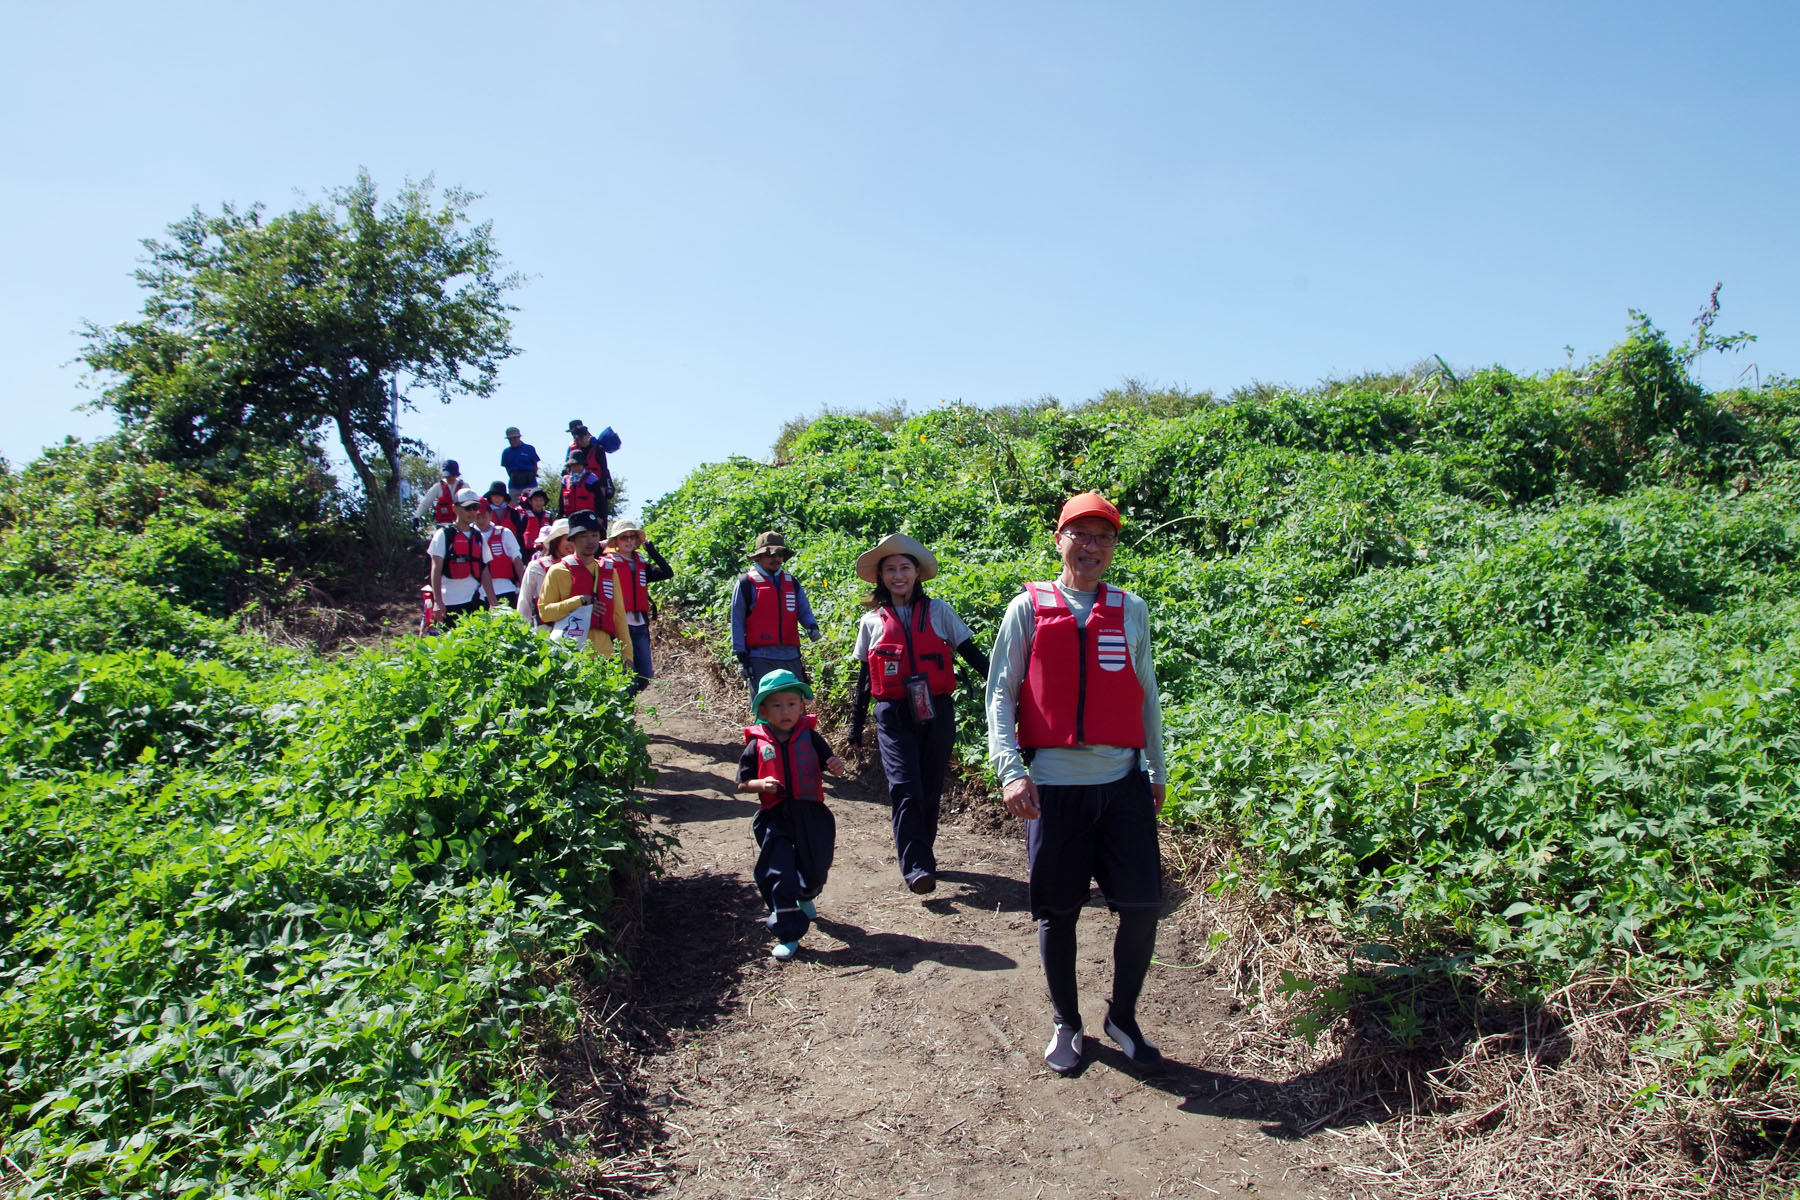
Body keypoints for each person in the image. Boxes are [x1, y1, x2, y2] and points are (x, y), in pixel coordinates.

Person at [985, 492, 1169, 1075]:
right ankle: (1068, 1021)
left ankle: (1123, 1017)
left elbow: (1147, 696)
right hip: (1054, 787)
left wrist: (1157, 769)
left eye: (1104, 537)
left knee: (1141, 908)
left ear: (1114, 547)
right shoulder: (1028, 608)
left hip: (1122, 785)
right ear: (1060, 539)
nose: (1091, 546)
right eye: (1080, 535)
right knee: (1057, 912)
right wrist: (1011, 769)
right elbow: (1000, 694)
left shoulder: (1130, 609)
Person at [846, 533, 990, 895]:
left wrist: (1007, 687)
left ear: (916, 573)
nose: (898, 575)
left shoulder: (939, 611)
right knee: (905, 788)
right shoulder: (871, 622)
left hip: (936, 709)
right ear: (880, 577)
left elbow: (972, 654)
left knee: (928, 788)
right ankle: (917, 867)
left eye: (904, 568)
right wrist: (855, 727)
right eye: (890, 569)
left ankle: (922, 851)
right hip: (893, 714)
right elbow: (866, 679)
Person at [736, 669, 845, 961]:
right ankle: (788, 933)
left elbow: (830, 763)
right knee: (778, 872)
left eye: (792, 703)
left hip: (812, 814)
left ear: (802, 706)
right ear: (763, 710)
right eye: (777, 705)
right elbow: (742, 783)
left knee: (815, 869)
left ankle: (807, 893)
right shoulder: (755, 744)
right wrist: (760, 784)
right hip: (774, 816)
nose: (785, 711)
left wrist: (835, 765)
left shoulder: (810, 737)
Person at [729, 532, 823, 696]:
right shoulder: (746, 584)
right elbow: (736, 621)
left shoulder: (791, 582)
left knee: (794, 705)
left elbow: (803, 609)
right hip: (759, 657)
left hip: (790, 656)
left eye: (780, 554)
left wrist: (811, 626)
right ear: (759, 557)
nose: (776, 558)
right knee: (765, 706)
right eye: (769, 554)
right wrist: (741, 658)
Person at [536, 511, 632, 668]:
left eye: (594, 535)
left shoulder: (608, 571)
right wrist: (578, 602)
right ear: (572, 539)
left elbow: (619, 616)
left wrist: (627, 655)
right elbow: (545, 613)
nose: (591, 541)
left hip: (604, 655)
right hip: (570, 656)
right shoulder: (557, 571)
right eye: (584, 536)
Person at [602, 519, 673, 696]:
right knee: (626, 676)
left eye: (632, 537)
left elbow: (667, 572)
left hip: (640, 625)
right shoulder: (607, 563)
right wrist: (601, 544)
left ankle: (626, 703)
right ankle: (624, 710)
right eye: (623, 537)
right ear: (615, 541)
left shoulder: (641, 564)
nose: (628, 541)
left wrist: (651, 549)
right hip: (619, 626)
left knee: (645, 676)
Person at [426, 487, 496, 630]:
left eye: (475, 507)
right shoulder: (443, 535)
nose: (472, 512)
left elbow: (484, 570)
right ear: (455, 508)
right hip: (449, 603)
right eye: (467, 508)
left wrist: (493, 602)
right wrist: (438, 602)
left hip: (474, 601)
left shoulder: (478, 537)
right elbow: (436, 569)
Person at [471, 494, 527, 609]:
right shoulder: (470, 536)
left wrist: (524, 587)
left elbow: (517, 560)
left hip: (505, 589)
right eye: (477, 517)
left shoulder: (504, 533)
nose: (480, 520)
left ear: (490, 514)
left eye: (483, 516)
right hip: (479, 592)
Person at [517, 518, 570, 627]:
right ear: (556, 541)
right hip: (544, 633)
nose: (572, 544)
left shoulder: (580, 567)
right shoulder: (536, 567)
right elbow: (524, 603)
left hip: (573, 632)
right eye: (568, 539)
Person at [566, 420, 621, 522]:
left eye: (581, 438)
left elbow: (604, 469)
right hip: (578, 487)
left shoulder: (598, 449)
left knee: (600, 510)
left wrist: (604, 487)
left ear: (587, 435)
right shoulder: (572, 449)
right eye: (577, 438)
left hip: (597, 484)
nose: (580, 441)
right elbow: (567, 468)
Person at [415, 460, 465, 524]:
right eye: (448, 476)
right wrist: (416, 517)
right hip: (442, 525)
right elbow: (425, 502)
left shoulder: (464, 486)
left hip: (460, 525)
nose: (451, 478)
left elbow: (473, 505)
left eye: (453, 475)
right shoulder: (438, 487)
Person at [558, 451, 603, 519]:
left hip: (588, 516)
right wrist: (560, 515)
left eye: (578, 464)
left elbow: (599, 499)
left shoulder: (591, 478)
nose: (576, 467)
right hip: (570, 516)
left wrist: (600, 516)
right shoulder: (565, 479)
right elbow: (561, 500)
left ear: (583, 465)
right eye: (573, 465)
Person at [500, 426, 540, 501]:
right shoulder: (506, 452)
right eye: (510, 439)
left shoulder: (529, 448)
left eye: (514, 438)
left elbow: (535, 465)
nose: (512, 440)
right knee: (514, 508)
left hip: (530, 483)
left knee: (532, 505)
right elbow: (507, 469)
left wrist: (531, 476)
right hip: (514, 485)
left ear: (519, 437)